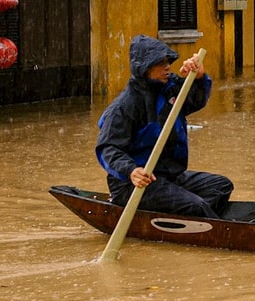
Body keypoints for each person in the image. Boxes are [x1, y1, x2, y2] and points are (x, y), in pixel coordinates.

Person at [95, 36, 233, 218]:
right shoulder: (124, 107)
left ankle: (187, 216)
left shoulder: (170, 89)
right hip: (134, 184)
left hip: (168, 176)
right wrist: (131, 171)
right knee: (196, 206)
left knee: (221, 186)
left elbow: (195, 100)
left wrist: (198, 78)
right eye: (160, 63)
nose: (167, 67)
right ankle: (197, 214)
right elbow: (108, 148)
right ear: (144, 67)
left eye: (167, 62)